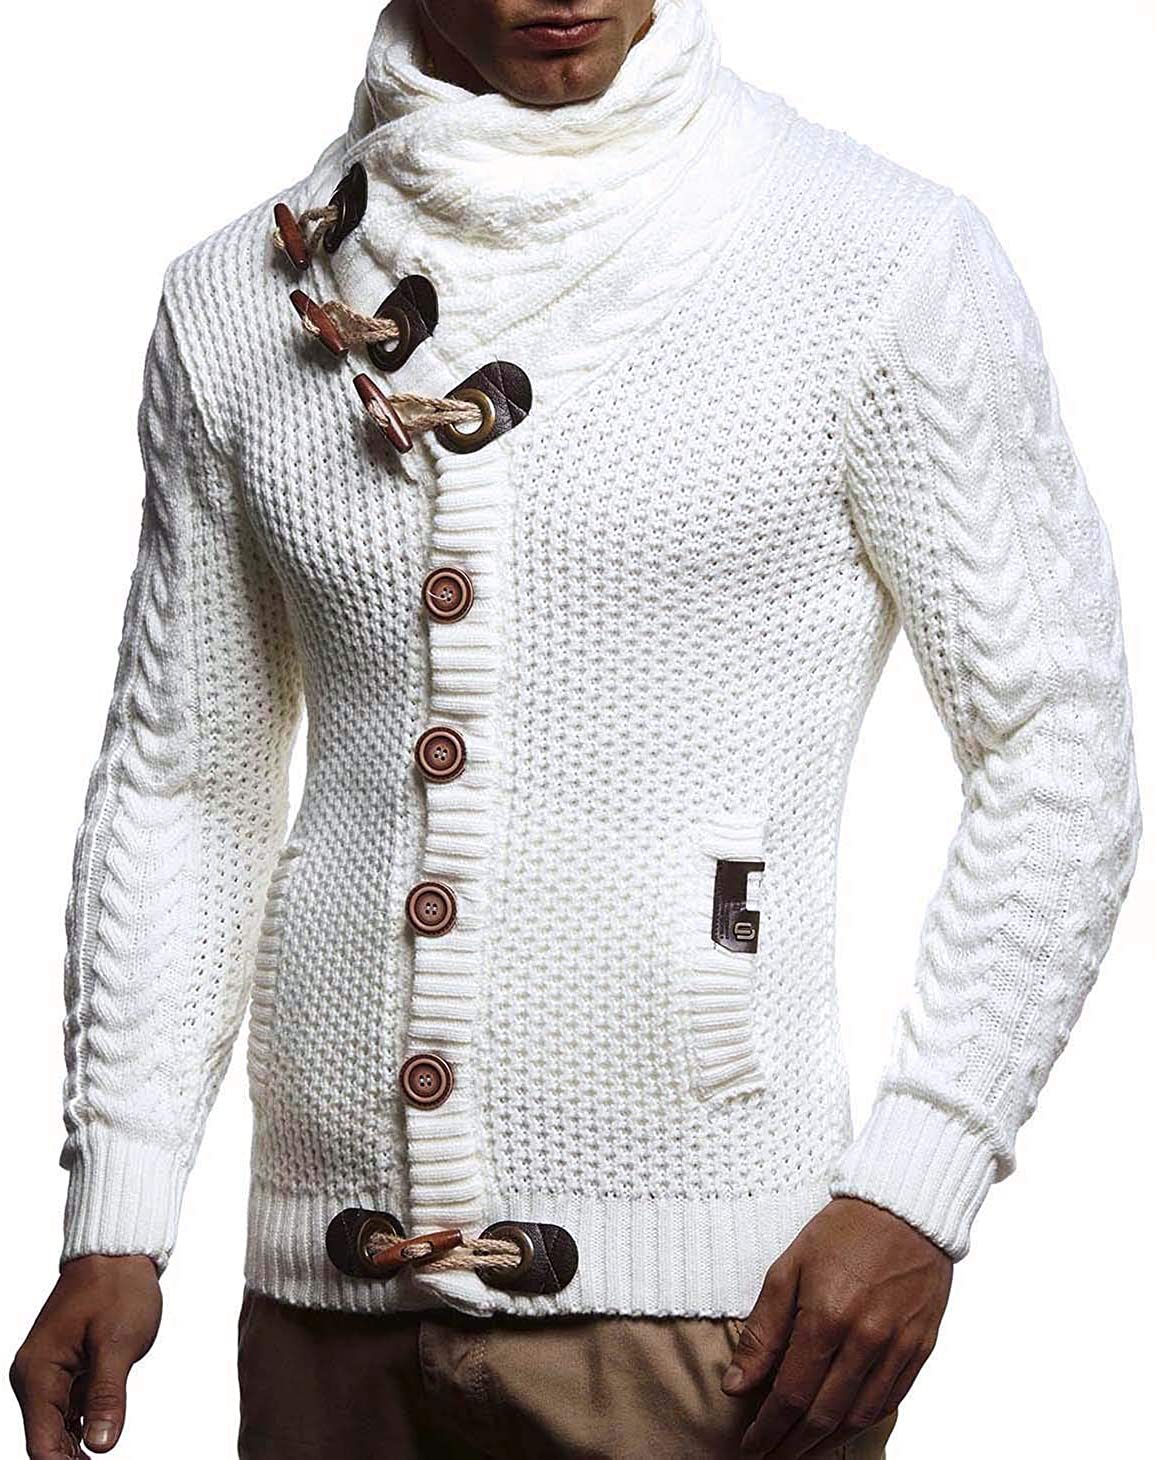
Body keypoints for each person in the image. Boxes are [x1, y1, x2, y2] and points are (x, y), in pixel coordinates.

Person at [9, 1, 1142, 1457]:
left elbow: (1055, 737)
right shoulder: (236, 301)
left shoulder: (877, 257)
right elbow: (184, 781)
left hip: (722, 1323)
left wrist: (924, 1177)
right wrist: (119, 1203)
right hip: (326, 1316)